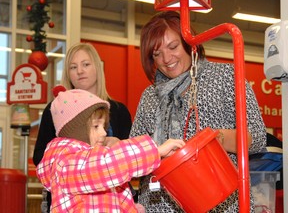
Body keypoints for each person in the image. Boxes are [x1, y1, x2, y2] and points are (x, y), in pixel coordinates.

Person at [129, 11, 267, 212]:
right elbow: (135, 153)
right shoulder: (150, 96)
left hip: (220, 203)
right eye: (156, 54)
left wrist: (216, 139)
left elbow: (258, 138)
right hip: (158, 205)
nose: (166, 59)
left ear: (189, 43)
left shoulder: (227, 78)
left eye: (173, 46)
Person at [36, 87, 185, 212]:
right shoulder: (66, 164)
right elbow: (107, 165)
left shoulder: (94, 165)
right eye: (96, 126)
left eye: (104, 126)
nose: (104, 133)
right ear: (76, 131)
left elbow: (114, 195)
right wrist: (155, 151)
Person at [33, 42, 133, 211]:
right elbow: (40, 159)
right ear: (67, 73)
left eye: (86, 64)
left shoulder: (118, 111)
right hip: (68, 204)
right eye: (73, 67)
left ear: (97, 68)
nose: (80, 71)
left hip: (114, 203)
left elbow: (132, 160)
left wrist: (119, 146)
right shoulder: (56, 110)